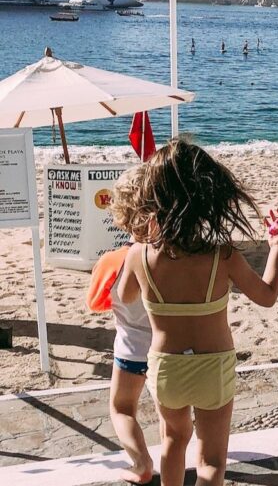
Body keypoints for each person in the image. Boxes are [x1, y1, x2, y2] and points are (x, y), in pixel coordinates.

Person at [117, 139, 278, 486]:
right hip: (214, 367)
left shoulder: (139, 255)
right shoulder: (221, 256)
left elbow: (124, 295)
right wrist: (277, 247)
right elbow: (268, 295)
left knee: (173, 441)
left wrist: (138, 247)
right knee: (211, 461)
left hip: (167, 367)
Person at [102, 165, 155, 485]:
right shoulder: (171, 257)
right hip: (170, 348)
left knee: (122, 408)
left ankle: (141, 462)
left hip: (131, 349)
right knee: (170, 415)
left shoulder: (116, 260)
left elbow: (99, 301)